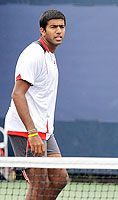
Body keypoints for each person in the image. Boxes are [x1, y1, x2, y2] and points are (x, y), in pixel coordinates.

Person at [4, 9, 69, 200]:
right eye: (53, 27)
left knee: (59, 179)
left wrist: (42, 132)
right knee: (39, 184)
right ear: (42, 30)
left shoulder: (50, 55)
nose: (58, 31)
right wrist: (32, 133)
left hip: (45, 131)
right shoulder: (33, 54)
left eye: (62, 27)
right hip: (26, 130)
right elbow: (17, 94)